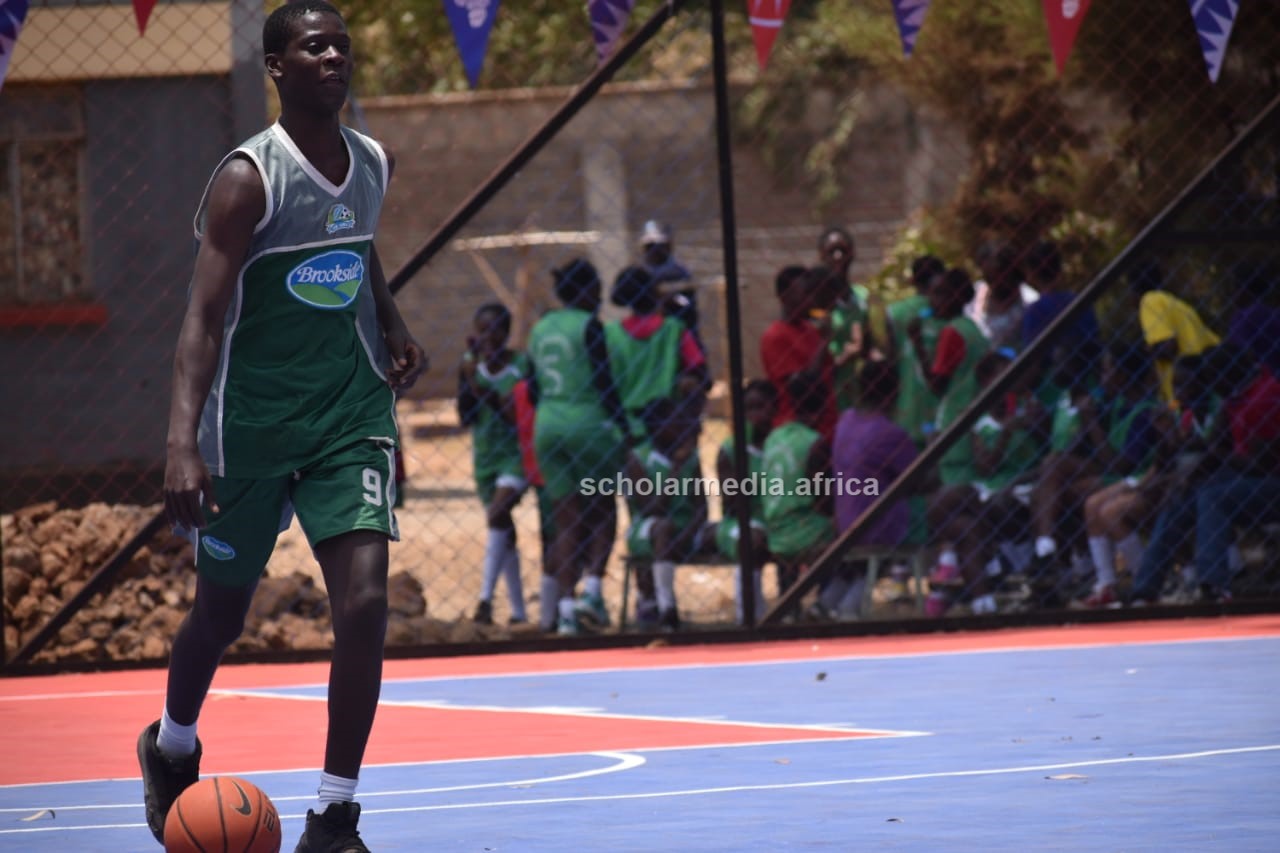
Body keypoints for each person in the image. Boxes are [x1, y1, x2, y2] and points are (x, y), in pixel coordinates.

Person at [140, 4, 426, 850]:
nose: (333, 54)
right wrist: (181, 441)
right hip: (250, 429)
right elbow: (201, 316)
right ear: (277, 67)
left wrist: (391, 317)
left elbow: (358, 240)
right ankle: (172, 742)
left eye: (340, 43)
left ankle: (334, 814)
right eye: (313, 45)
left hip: (348, 413)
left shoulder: (373, 159)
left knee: (367, 602)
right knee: (220, 619)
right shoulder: (247, 179)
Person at [526, 258, 629, 635]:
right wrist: (625, 429)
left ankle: (566, 611)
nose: (600, 296)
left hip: (548, 425)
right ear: (584, 291)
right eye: (596, 289)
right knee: (602, 507)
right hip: (588, 421)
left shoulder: (540, 329)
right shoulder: (589, 326)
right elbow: (604, 383)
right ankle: (594, 593)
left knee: (565, 521)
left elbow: (533, 386)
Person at [830, 360, 924, 618]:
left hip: (845, 518)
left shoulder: (846, 421)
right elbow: (919, 480)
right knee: (942, 506)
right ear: (895, 393)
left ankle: (830, 601)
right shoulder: (890, 434)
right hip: (877, 525)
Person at [457, 302, 529, 626]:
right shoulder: (470, 366)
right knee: (504, 531)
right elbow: (465, 416)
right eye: (481, 330)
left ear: (506, 332)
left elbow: (515, 416)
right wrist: (470, 384)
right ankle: (518, 612)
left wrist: (481, 387)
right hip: (485, 455)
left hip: (516, 454)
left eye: (494, 330)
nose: (487, 337)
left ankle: (485, 600)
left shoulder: (521, 366)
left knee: (497, 513)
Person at [620, 396, 714, 631]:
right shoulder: (638, 458)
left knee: (721, 532)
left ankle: (750, 611)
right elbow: (652, 507)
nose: (682, 427)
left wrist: (689, 532)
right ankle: (667, 608)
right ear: (657, 426)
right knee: (663, 527)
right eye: (675, 422)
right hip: (647, 528)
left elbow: (702, 506)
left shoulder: (690, 458)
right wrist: (675, 471)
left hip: (684, 527)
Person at [906, 267, 990, 486]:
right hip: (975, 419)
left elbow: (936, 385)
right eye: (932, 294)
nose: (934, 301)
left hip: (954, 424)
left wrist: (919, 346)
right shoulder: (972, 328)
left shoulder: (951, 333)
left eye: (941, 293)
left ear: (960, 297)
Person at [606, 264, 708, 442]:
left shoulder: (610, 333)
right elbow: (699, 369)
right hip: (668, 424)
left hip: (627, 425)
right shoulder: (673, 329)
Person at [761, 371, 834, 602]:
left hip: (774, 531)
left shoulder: (774, 438)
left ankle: (788, 603)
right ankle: (827, 600)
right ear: (824, 404)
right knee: (849, 528)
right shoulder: (814, 443)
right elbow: (825, 500)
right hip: (806, 533)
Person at [715, 378, 777, 622]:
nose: (756, 415)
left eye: (762, 407)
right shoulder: (731, 449)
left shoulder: (781, 445)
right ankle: (750, 618)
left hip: (781, 521)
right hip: (740, 523)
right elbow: (732, 501)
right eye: (749, 409)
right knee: (750, 539)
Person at [760, 265, 836, 437]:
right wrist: (824, 341)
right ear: (784, 297)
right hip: (797, 426)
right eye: (805, 293)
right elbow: (803, 386)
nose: (811, 300)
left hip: (826, 424)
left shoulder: (810, 329)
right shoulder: (775, 336)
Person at [1129, 260, 1219, 404]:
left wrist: (1145, 352)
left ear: (1133, 290)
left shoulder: (1149, 301)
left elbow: (1168, 346)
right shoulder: (1176, 303)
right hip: (1206, 381)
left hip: (1188, 388)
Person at [885, 255, 945, 448]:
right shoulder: (947, 310)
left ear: (912, 280)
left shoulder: (895, 313)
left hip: (906, 407)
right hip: (940, 408)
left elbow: (889, 358)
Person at [816, 226, 872, 411]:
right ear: (822, 256)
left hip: (859, 391)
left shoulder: (861, 297)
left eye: (843, 250)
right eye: (832, 251)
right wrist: (842, 358)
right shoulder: (816, 300)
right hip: (826, 392)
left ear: (852, 254)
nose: (838, 256)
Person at [967, 241, 1039, 352]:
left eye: (996, 277)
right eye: (987, 278)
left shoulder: (1029, 302)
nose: (992, 284)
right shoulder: (975, 294)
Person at [639, 219, 700, 342]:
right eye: (650, 247)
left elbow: (688, 303)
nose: (654, 251)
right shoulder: (641, 274)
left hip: (679, 328)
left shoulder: (679, 272)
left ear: (668, 247)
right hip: (650, 333)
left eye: (659, 246)